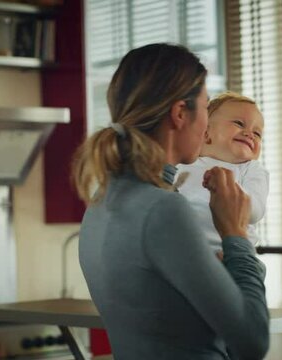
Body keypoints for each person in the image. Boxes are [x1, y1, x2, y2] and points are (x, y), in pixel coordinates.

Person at [73, 43, 269, 360]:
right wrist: (235, 233)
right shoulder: (163, 209)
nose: (206, 122)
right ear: (180, 114)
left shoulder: (103, 199)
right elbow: (252, 340)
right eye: (206, 107)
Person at [177, 92, 268, 255]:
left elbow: (255, 212)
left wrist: (225, 189)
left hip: (233, 257)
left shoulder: (251, 169)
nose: (249, 134)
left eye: (257, 133)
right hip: (188, 254)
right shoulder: (183, 164)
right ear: (205, 133)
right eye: (239, 123)